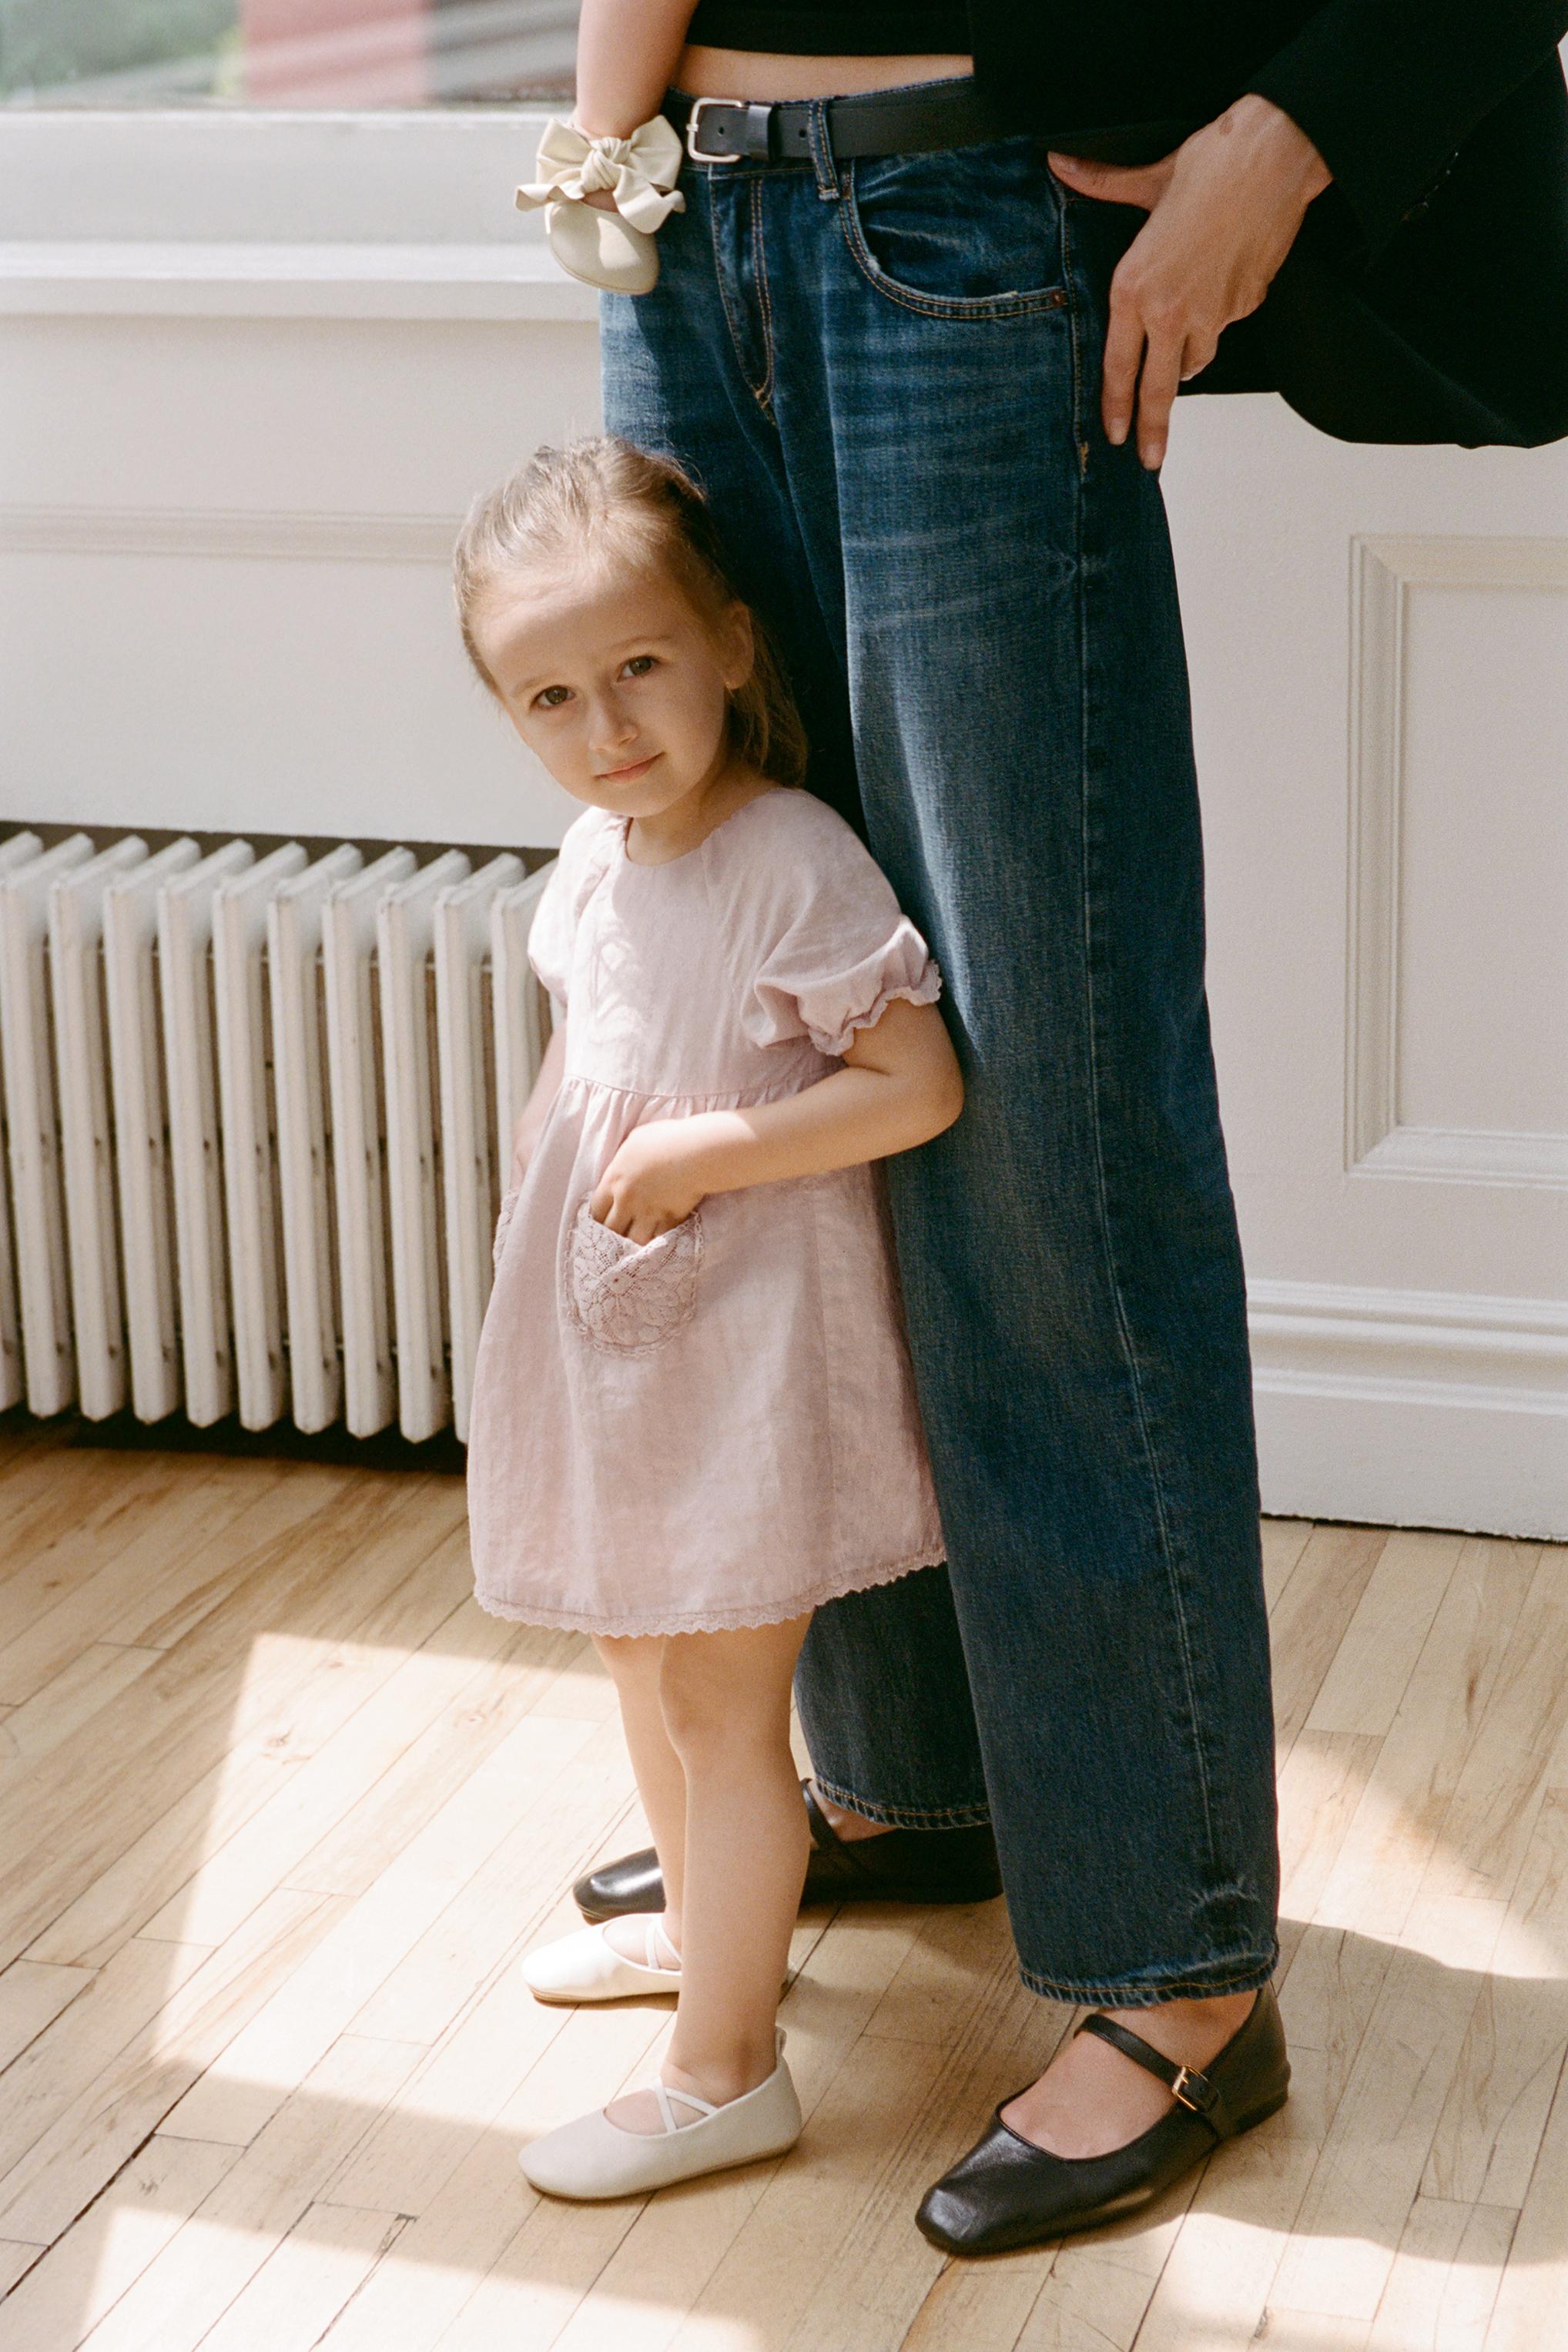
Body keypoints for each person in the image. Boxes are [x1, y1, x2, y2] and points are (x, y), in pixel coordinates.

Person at [524, 0, 1568, 2253]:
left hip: (977, 220)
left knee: (1035, 1104)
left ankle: (1175, 1962)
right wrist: (608, 149)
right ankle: (916, 1771)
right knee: (791, 1035)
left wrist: (1286, 141)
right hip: (696, 225)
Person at [457, 434, 967, 2199]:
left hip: (740, 1348)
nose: (605, 724)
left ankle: (727, 2068)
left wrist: (707, 1148)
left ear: (732, 647)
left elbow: (913, 1085)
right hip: (614, 1341)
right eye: (550, 697)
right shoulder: (594, 860)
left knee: (728, 1705)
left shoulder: (786, 857)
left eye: (639, 667)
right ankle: (707, 1935)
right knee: (634, 1654)